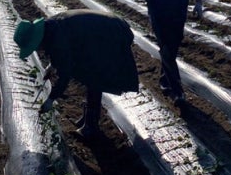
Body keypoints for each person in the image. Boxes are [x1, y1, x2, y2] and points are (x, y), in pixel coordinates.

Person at [13, 9, 139, 138]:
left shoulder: (57, 36)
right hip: (105, 30)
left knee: (94, 76)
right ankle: (88, 119)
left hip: (113, 33)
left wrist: (51, 99)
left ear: (36, 39)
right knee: (87, 71)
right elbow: (63, 50)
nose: (36, 49)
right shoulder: (51, 26)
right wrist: (52, 66)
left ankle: (91, 127)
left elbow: (65, 74)